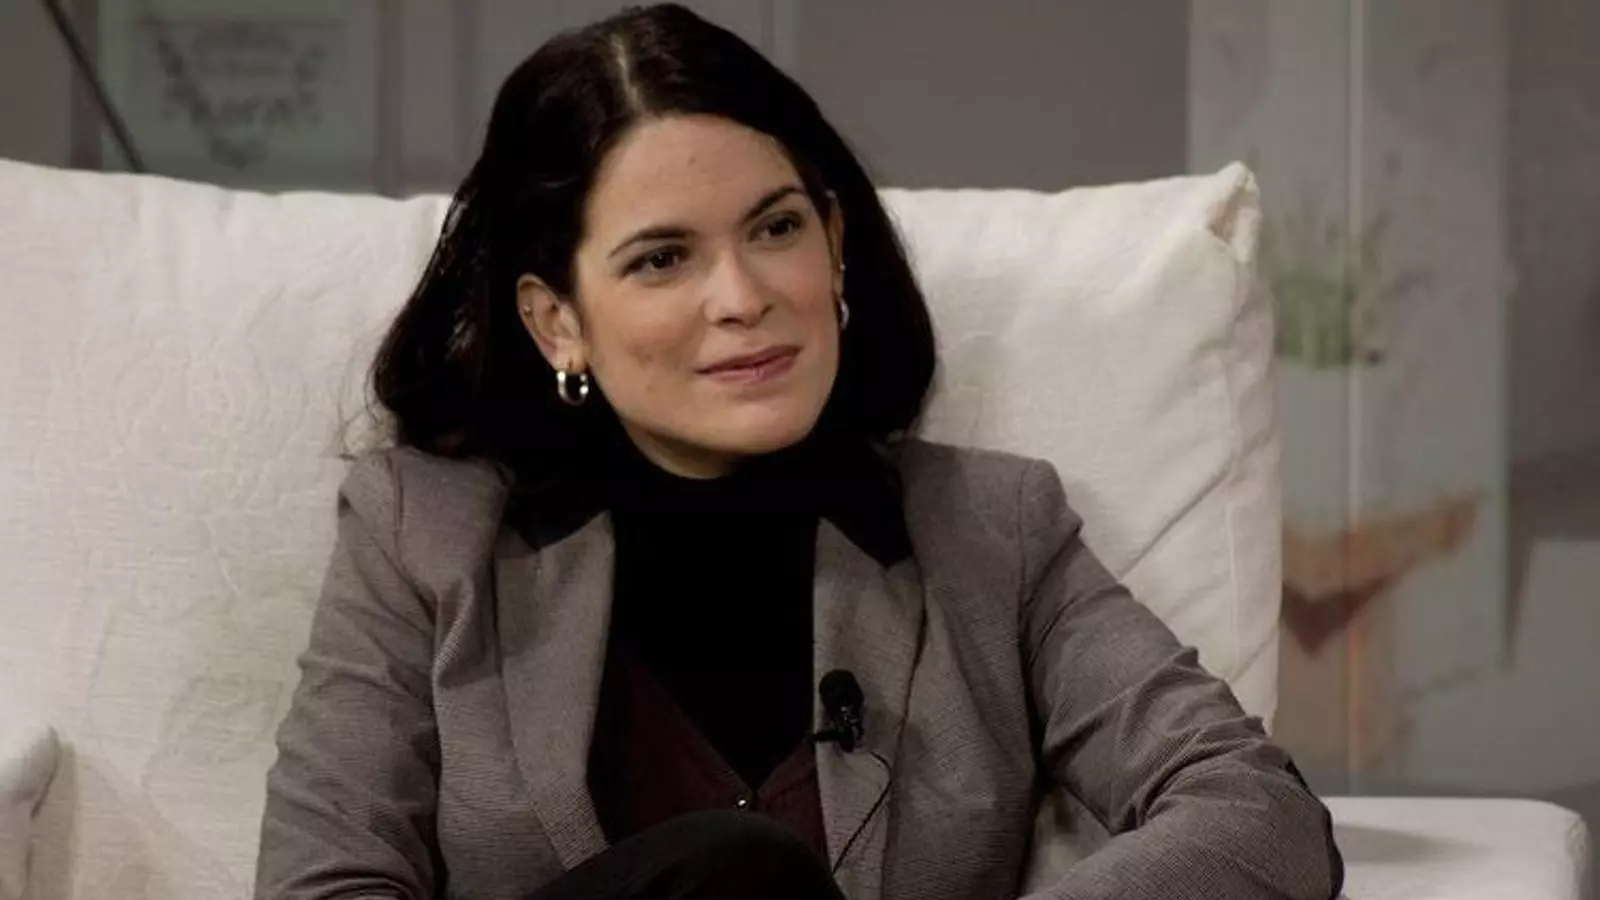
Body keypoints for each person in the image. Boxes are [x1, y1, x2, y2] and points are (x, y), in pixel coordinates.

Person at [254, 5, 1344, 900]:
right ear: (557, 322)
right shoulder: (425, 534)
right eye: (661, 259)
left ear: (834, 243)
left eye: (776, 228)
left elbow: (1255, 811)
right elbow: (324, 885)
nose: (743, 297)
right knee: (734, 871)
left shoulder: (992, 533)